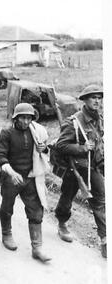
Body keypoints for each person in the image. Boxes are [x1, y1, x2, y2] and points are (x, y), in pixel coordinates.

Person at [54, 84, 106, 258]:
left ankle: (104, 240)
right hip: (75, 169)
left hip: (94, 167)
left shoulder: (100, 118)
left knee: (100, 201)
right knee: (67, 198)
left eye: (99, 98)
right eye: (93, 98)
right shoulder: (74, 122)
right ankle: (62, 223)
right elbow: (61, 145)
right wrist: (82, 148)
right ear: (84, 100)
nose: (97, 101)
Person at [0, 103, 51, 263]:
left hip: (30, 176)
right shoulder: (7, 132)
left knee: (35, 210)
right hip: (11, 176)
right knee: (7, 207)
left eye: (29, 118)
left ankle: (37, 247)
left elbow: (46, 150)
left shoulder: (36, 132)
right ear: (16, 118)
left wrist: (44, 149)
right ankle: (6, 234)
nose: (26, 121)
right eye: (23, 117)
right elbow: (1, 157)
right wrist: (12, 173)